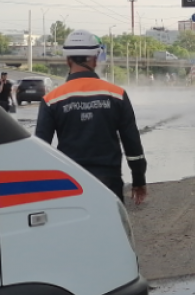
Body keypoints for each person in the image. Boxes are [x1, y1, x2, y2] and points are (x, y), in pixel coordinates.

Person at [35, 29, 147, 206]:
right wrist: (139, 179)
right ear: (95, 59)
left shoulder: (51, 99)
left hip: (70, 182)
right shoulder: (117, 95)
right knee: (111, 230)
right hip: (109, 180)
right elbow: (132, 143)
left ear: (67, 60)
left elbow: (41, 149)